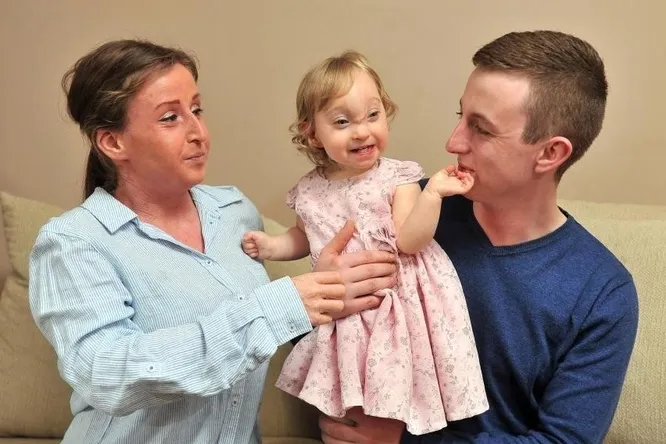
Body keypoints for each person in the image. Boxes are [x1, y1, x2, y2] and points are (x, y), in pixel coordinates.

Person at [27, 39, 396, 444]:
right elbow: (107, 374)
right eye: (170, 117)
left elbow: (267, 333)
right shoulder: (73, 243)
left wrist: (325, 293)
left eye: (197, 110)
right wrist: (280, 307)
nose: (199, 133)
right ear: (113, 142)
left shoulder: (235, 211)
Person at [316, 31, 639, 444]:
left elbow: (564, 441)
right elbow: (309, 352)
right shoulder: (403, 213)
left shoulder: (602, 292)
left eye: (481, 129)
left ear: (550, 153)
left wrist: (407, 441)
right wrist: (322, 295)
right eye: (461, 115)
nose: (452, 142)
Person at [241, 50, 488, 435]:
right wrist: (272, 246)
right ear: (312, 133)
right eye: (342, 122)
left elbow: (410, 240)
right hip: (348, 313)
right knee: (352, 400)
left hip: (396, 303)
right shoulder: (309, 190)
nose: (362, 131)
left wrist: (433, 195)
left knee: (392, 390)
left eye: (373, 115)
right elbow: (305, 236)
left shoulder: (398, 178)